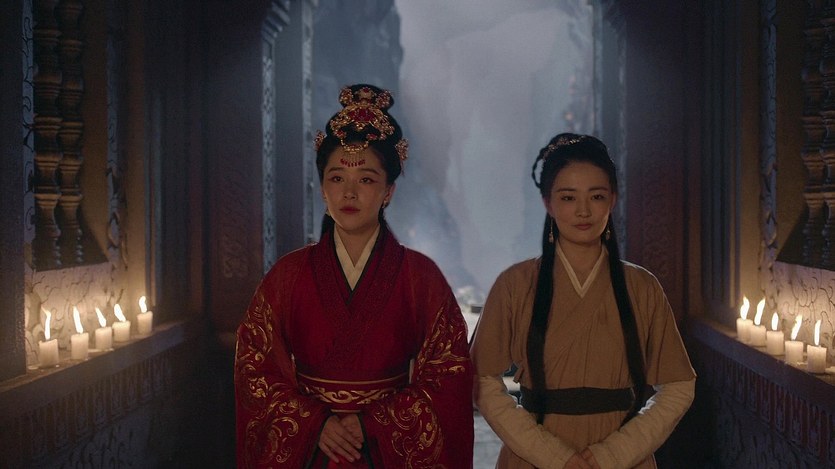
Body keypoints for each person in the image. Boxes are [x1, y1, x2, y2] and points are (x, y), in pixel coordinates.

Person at [234, 84, 474, 468]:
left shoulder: (420, 277)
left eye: (365, 179)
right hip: (313, 450)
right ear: (322, 189)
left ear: (388, 191)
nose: (349, 193)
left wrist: (373, 424)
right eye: (336, 178)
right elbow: (255, 368)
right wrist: (314, 423)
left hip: (385, 451)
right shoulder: (287, 275)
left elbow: (448, 374)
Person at [470, 133, 695, 469]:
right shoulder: (514, 285)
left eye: (597, 196)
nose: (583, 210)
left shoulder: (642, 286)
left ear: (612, 200)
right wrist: (554, 456)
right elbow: (482, 382)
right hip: (533, 455)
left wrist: (613, 454)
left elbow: (679, 386)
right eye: (568, 197)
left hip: (623, 456)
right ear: (548, 203)